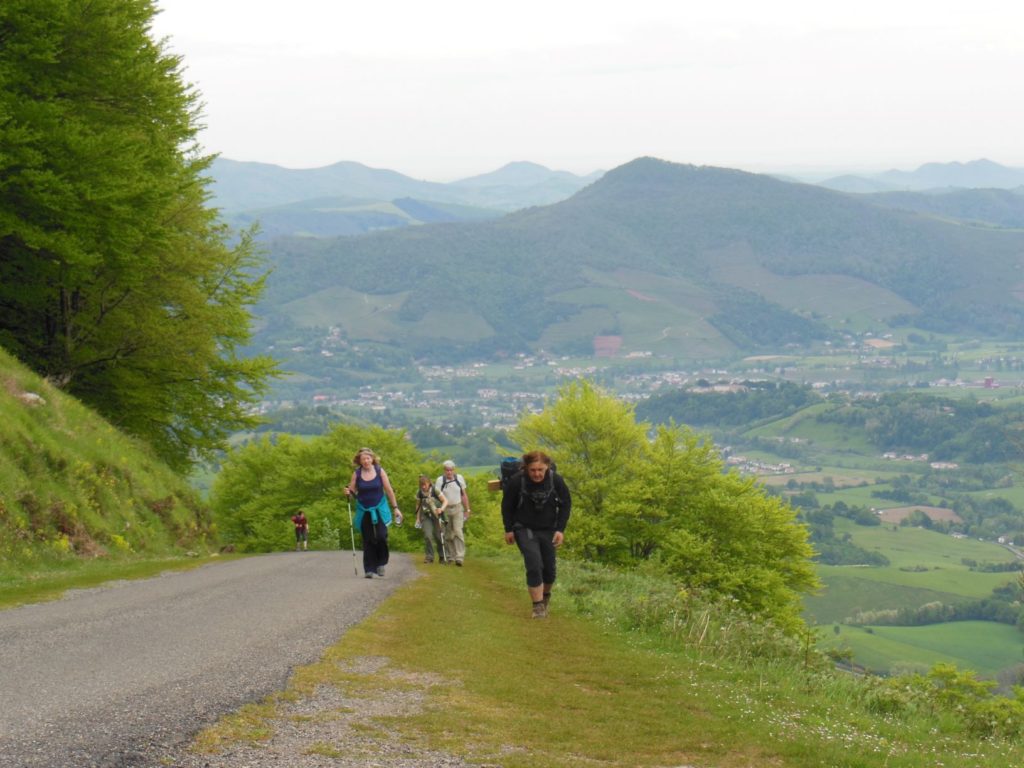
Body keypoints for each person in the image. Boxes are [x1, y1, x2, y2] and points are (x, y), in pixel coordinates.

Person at [501, 451, 571, 619]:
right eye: (533, 470)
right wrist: (509, 529)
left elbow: (566, 504)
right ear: (526, 468)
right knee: (534, 564)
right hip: (524, 528)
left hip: (548, 529)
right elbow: (507, 506)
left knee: (549, 571)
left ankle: (545, 597)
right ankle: (538, 606)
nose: (537, 474)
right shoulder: (517, 481)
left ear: (547, 467)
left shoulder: (556, 480)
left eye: (541, 469)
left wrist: (560, 530)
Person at [344, 447, 402, 578]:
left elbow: (388, 490)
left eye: (368, 458)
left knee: (381, 536)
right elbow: (352, 492)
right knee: (368, 539)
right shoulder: (357, 474)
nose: (365, 461)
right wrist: (348, 493)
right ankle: (369, 569)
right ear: (359, 461)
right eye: (363, 459)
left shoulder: (379, 471)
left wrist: (396, 508)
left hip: (379, 508)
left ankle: (380, 563)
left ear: (372, 459)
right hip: (364, 509)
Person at [435, 459, 471, 566]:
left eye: (451, 470)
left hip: (458, 507)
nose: (449, 472)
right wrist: (437, 510)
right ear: (444, 470)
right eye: (447, 470)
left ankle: (459, 557)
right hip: (445, 509)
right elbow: (437, 496)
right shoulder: (440, 481)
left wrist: (467, 509)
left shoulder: (459, 478)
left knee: (458, 531)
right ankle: (450, 556)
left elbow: (463, 494)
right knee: (448, 534)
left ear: (454, 470)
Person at [414, 475, 449, 564]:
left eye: (424, 484)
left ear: (429, 483)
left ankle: (443, 556)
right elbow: (418, 505)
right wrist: (417, 518)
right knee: (427, 535)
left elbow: (445, 501)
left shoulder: (435, 490)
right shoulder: (419, 493)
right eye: (421, 485)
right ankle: (429, 557)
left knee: (439, 536)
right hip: (426, 516)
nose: (423, 487)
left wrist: (442, 509)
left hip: (437, 514)